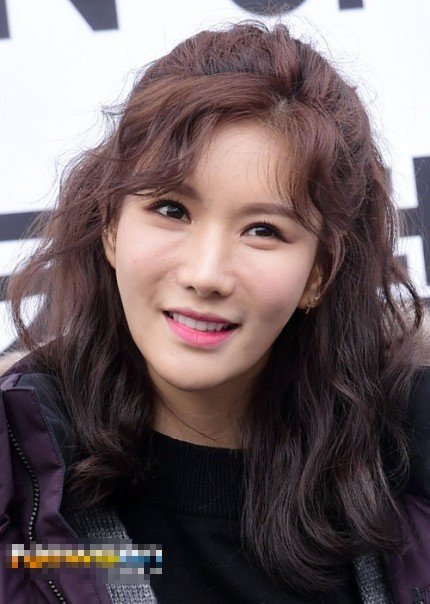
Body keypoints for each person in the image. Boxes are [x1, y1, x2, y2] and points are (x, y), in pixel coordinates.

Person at [1, 20, 429, 604]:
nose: (205, 274)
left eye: (263, 230)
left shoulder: (407, 469)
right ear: (110, 227)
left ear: (319, 273)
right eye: (171, 210)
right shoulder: (21, 480)